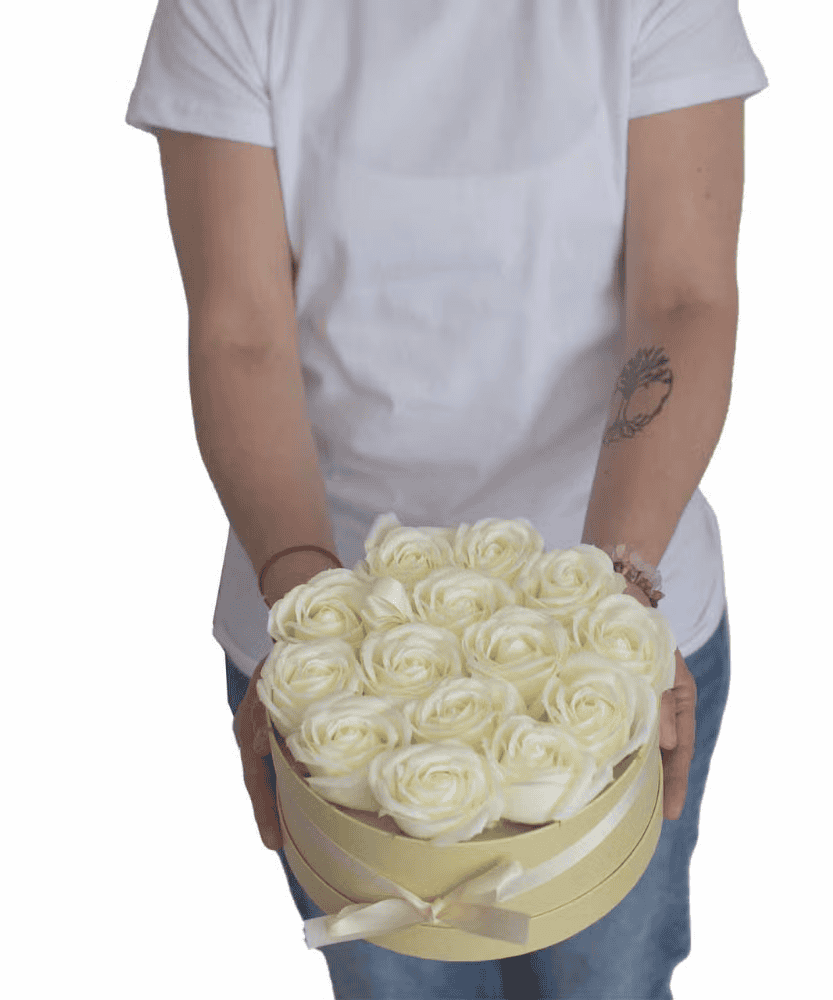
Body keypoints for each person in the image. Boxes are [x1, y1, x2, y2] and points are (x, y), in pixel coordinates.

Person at [126, 1, 767, 996]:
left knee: (611, 976)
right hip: (329, 646)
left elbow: (681, 299)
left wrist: (608, 618)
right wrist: (313, 630)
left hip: (624, 612)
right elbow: (239, 331)